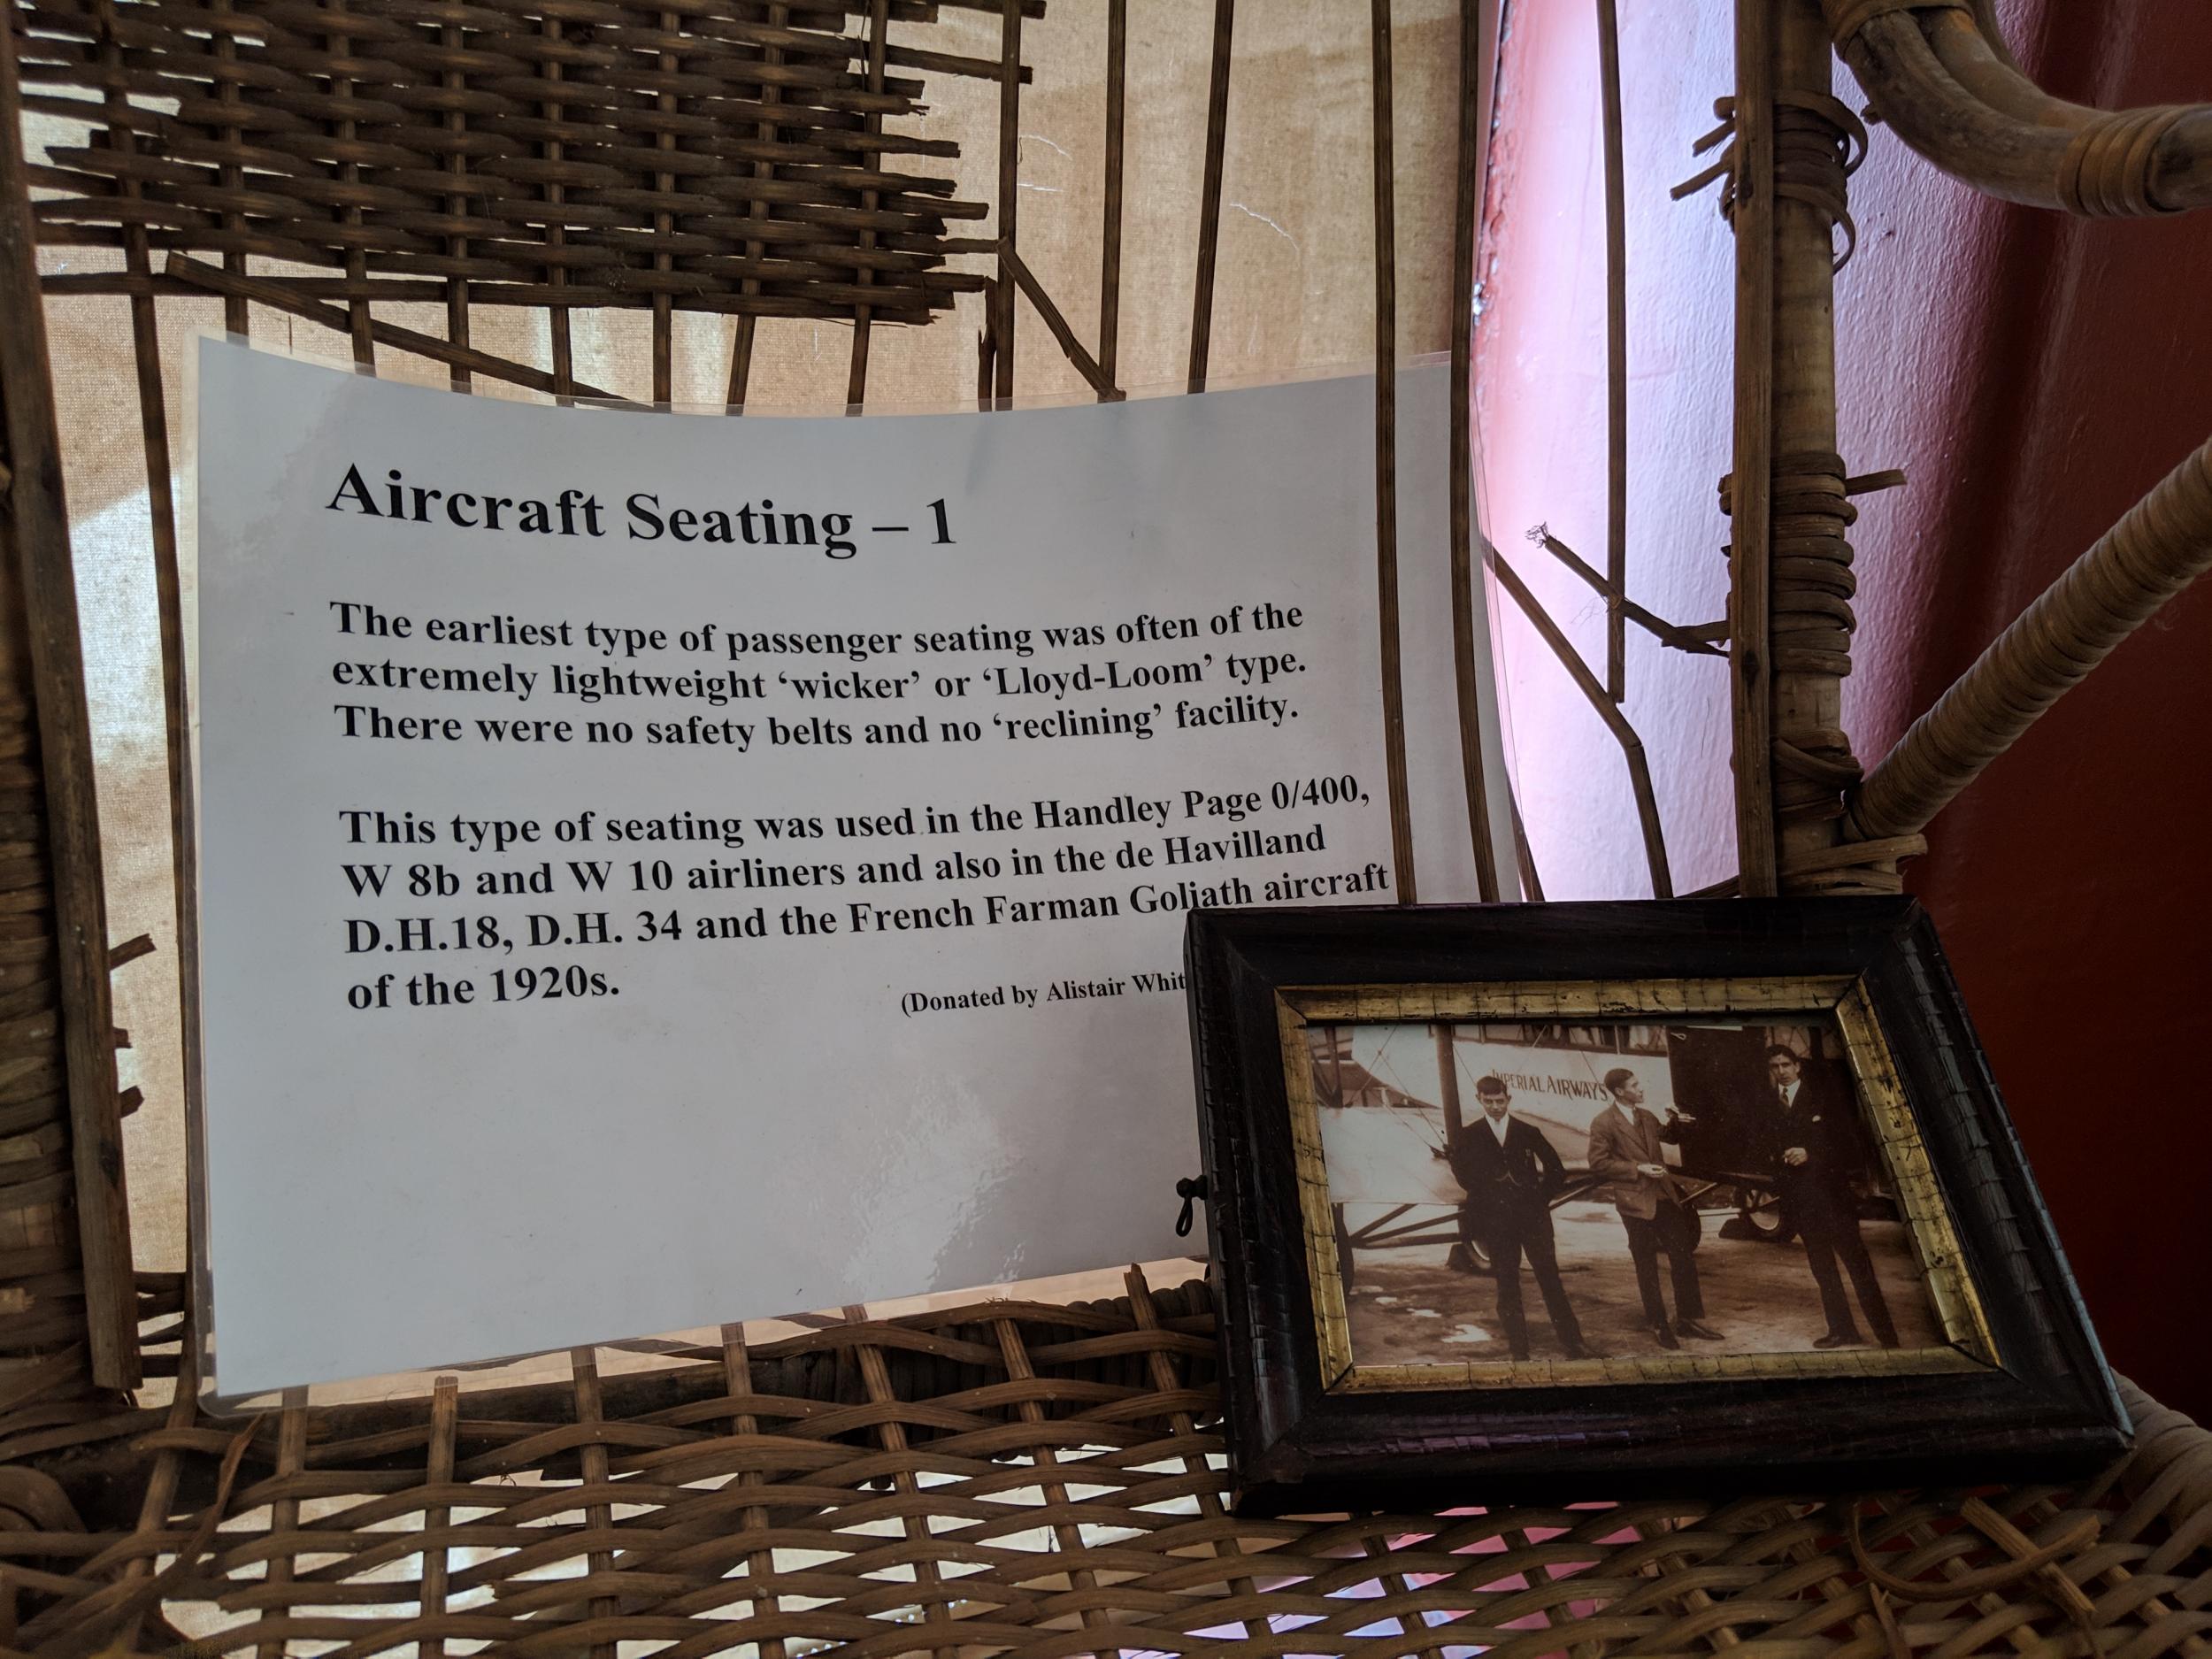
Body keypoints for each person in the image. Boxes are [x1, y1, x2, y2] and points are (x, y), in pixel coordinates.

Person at [1765, 1044, 1899, 1349]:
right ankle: (1842, 1330)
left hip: (1834, 1202)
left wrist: (1810, 1154)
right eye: (1775, 1066)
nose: (1781, 1071)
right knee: (1824, 1272)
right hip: (1801, 1204)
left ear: (1798, 1066)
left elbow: (1849, 1148)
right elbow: (1762, 1145)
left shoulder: (1824, 1098)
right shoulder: (1770, 1104)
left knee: (1859, 1269)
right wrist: (1779, 1159)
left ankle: (1887, 1337)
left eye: (1786, 1064)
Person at [1447, 1075, 1587, 1362]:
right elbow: (1463, 1177)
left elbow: (1556, 1171)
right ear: (1479, 1100)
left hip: (1533, 1220)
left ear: (1508, 1099)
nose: (1496, 1107)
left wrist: (1538, 1198)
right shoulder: (1468, 1135)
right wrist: (1492, 1191)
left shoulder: (1528, 1131)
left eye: (1500, 1101)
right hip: (1497, 1223)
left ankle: (1574, 1344)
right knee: (1507, 1284)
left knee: (1551, 1281)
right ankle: (1519, 1351)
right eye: (1489, 1102)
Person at [1586, 1069, 1721, 1348]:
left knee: (1683, 1257)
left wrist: (1677, 1120)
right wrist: (1638, 1168)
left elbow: (1669, 1136)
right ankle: (1659, 1324)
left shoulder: (1646, 1116)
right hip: (1635, 1203)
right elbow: (1598, 1163)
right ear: (1620, 1092)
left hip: (1663, 1196)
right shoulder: (1603, 1123)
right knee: (1646, 1264)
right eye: (1635, 1085)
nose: (1641, 1088)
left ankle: (1687, 1320)